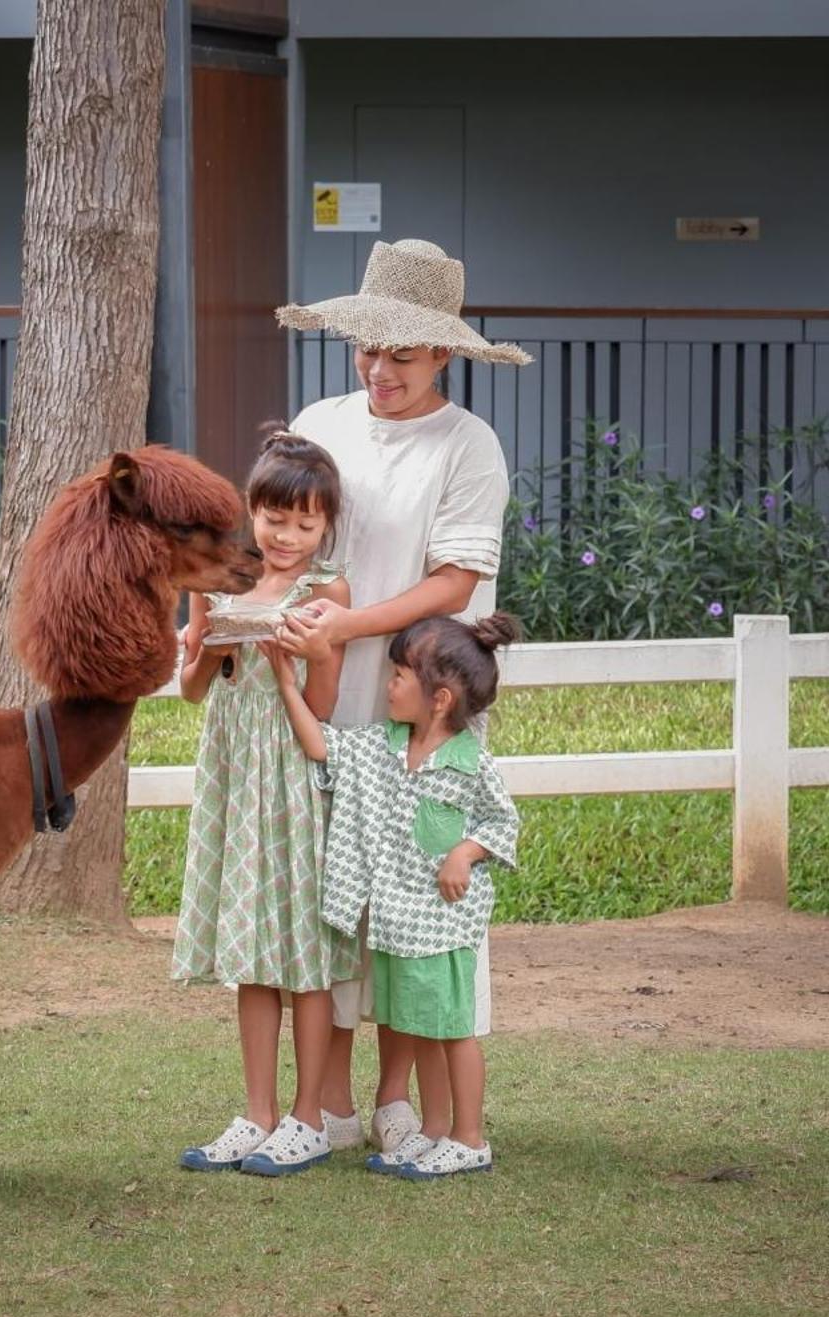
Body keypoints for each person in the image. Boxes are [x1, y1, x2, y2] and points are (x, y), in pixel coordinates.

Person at [271, 237, 531, 1156]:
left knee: (418, 902)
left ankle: (407, 1104)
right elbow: (288, 535)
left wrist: (352, 625)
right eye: (369, 349)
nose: (380, 370)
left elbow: (456, 582)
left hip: (422, 706)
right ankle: (331, 1100)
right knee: (334, 895)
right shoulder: (322, 419)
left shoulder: (469, 447)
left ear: (445, 356)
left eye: (404, 355)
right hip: (326, 697)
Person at [267, 613, 522, 1177]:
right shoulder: (380, 750)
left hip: (445, 925)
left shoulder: (469, 763)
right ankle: (434, 1132)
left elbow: (502, 824)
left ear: (440, 698)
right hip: (396, 926)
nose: (389, 684)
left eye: (401, 674)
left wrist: (464, 852)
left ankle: (469, 1137)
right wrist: (288, 683)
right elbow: (321, 747)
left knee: (453, 1032)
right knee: (420, 1030)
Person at [171, 432, 352, 1176]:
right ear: (252, 511)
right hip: (234, 783)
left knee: (303, 953)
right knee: (251, 953)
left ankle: (310, 1118)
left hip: (292, 782)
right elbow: (188, 690)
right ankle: (257, 1112)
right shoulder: (217, 585)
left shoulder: (328, 594)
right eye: (276, 519)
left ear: (326, 528)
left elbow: (324, 705)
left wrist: (309, 657)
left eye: (306, 525)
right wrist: (208, 644)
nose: (288, 537)